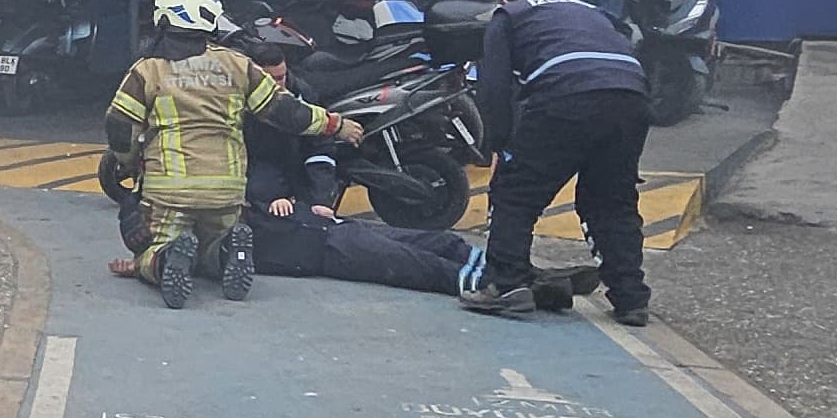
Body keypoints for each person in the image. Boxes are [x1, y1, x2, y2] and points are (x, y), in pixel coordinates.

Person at [103, 0, 358, 307]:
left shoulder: (148, 70)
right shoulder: (237, 65)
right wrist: (334, 124)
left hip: (171, 190)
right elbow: (285, 112)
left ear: (165, 15)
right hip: (228, 189)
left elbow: (119, 125)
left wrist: (127, 159)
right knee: (213, 243)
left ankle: (164, 260)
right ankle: (226, 252)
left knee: (152, 247)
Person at [242, 107, 597, 305]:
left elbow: (281, 166)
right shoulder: (219, 226)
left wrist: (311, 201)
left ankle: (532, 276)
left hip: (329, 225)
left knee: (445, 244)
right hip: (318, 247)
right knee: (426, 268)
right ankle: (536, 290)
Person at [463, 0, 652, 322]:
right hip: (631, 96)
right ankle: (631, 299)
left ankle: (506, 286)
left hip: (566, 96)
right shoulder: (590, 11)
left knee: (516, 193)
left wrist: (499, 144)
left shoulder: (508, 16)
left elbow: (494, 89)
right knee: (611, 203)